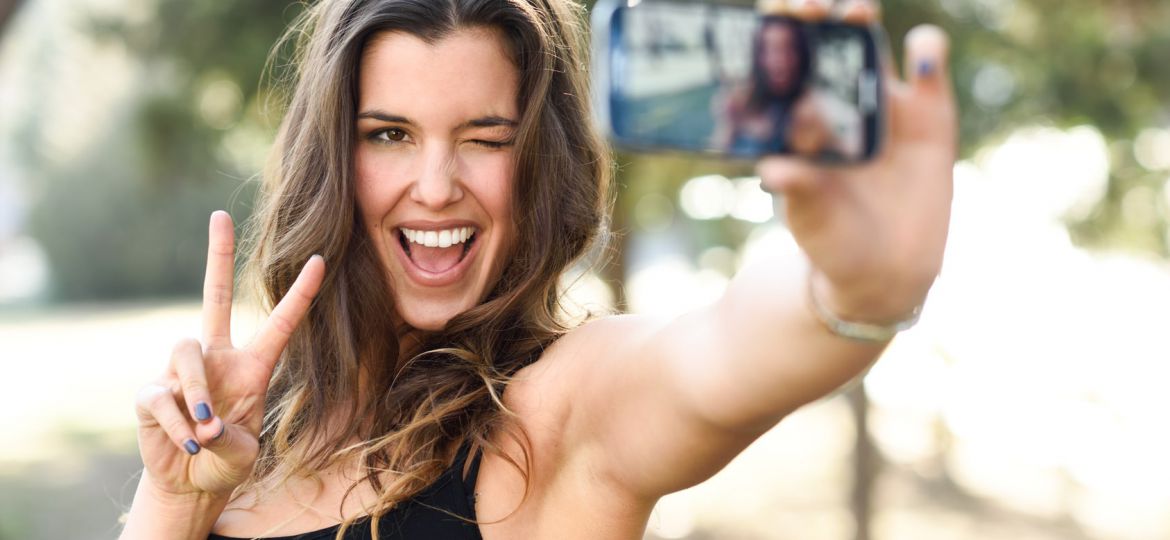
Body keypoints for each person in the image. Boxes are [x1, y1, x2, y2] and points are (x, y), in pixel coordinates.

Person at [119, 0, 956, 538]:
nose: (439, 187)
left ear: (538, 162)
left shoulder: (556, 410)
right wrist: (176, 501)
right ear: (332, 158)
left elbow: (724, 355)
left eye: (487, 139)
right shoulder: (246, 431)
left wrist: (859, 283)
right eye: (390, 135)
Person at [711, 16, 812, 155]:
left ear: (801, 55)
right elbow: (718, 150)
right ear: (758, 56)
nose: (779, 61)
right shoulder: (743, 98)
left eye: (787, 49)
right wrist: (729, 122)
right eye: (769, 50)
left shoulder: (810, 107)